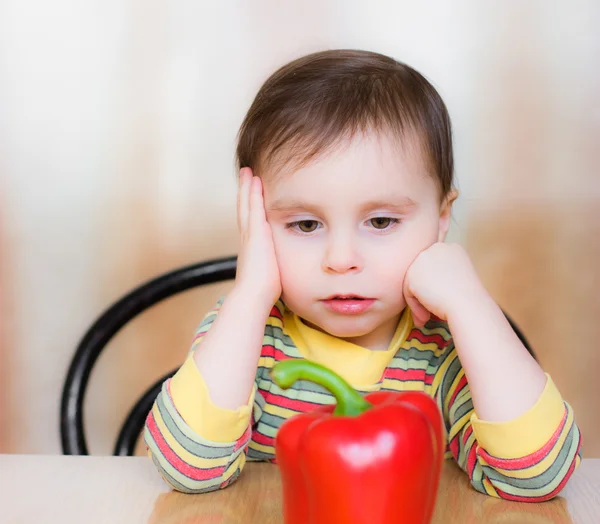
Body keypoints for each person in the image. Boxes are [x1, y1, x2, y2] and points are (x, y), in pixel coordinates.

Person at [144, 49, 581, 500]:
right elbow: (188, 468)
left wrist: (472, 305)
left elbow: (536, 478)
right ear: (255, 223)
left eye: (380, 222)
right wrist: (251, 293)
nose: (341, 259)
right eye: (306, 225)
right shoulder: (248, 336)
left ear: (440, 218)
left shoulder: (442, 352)